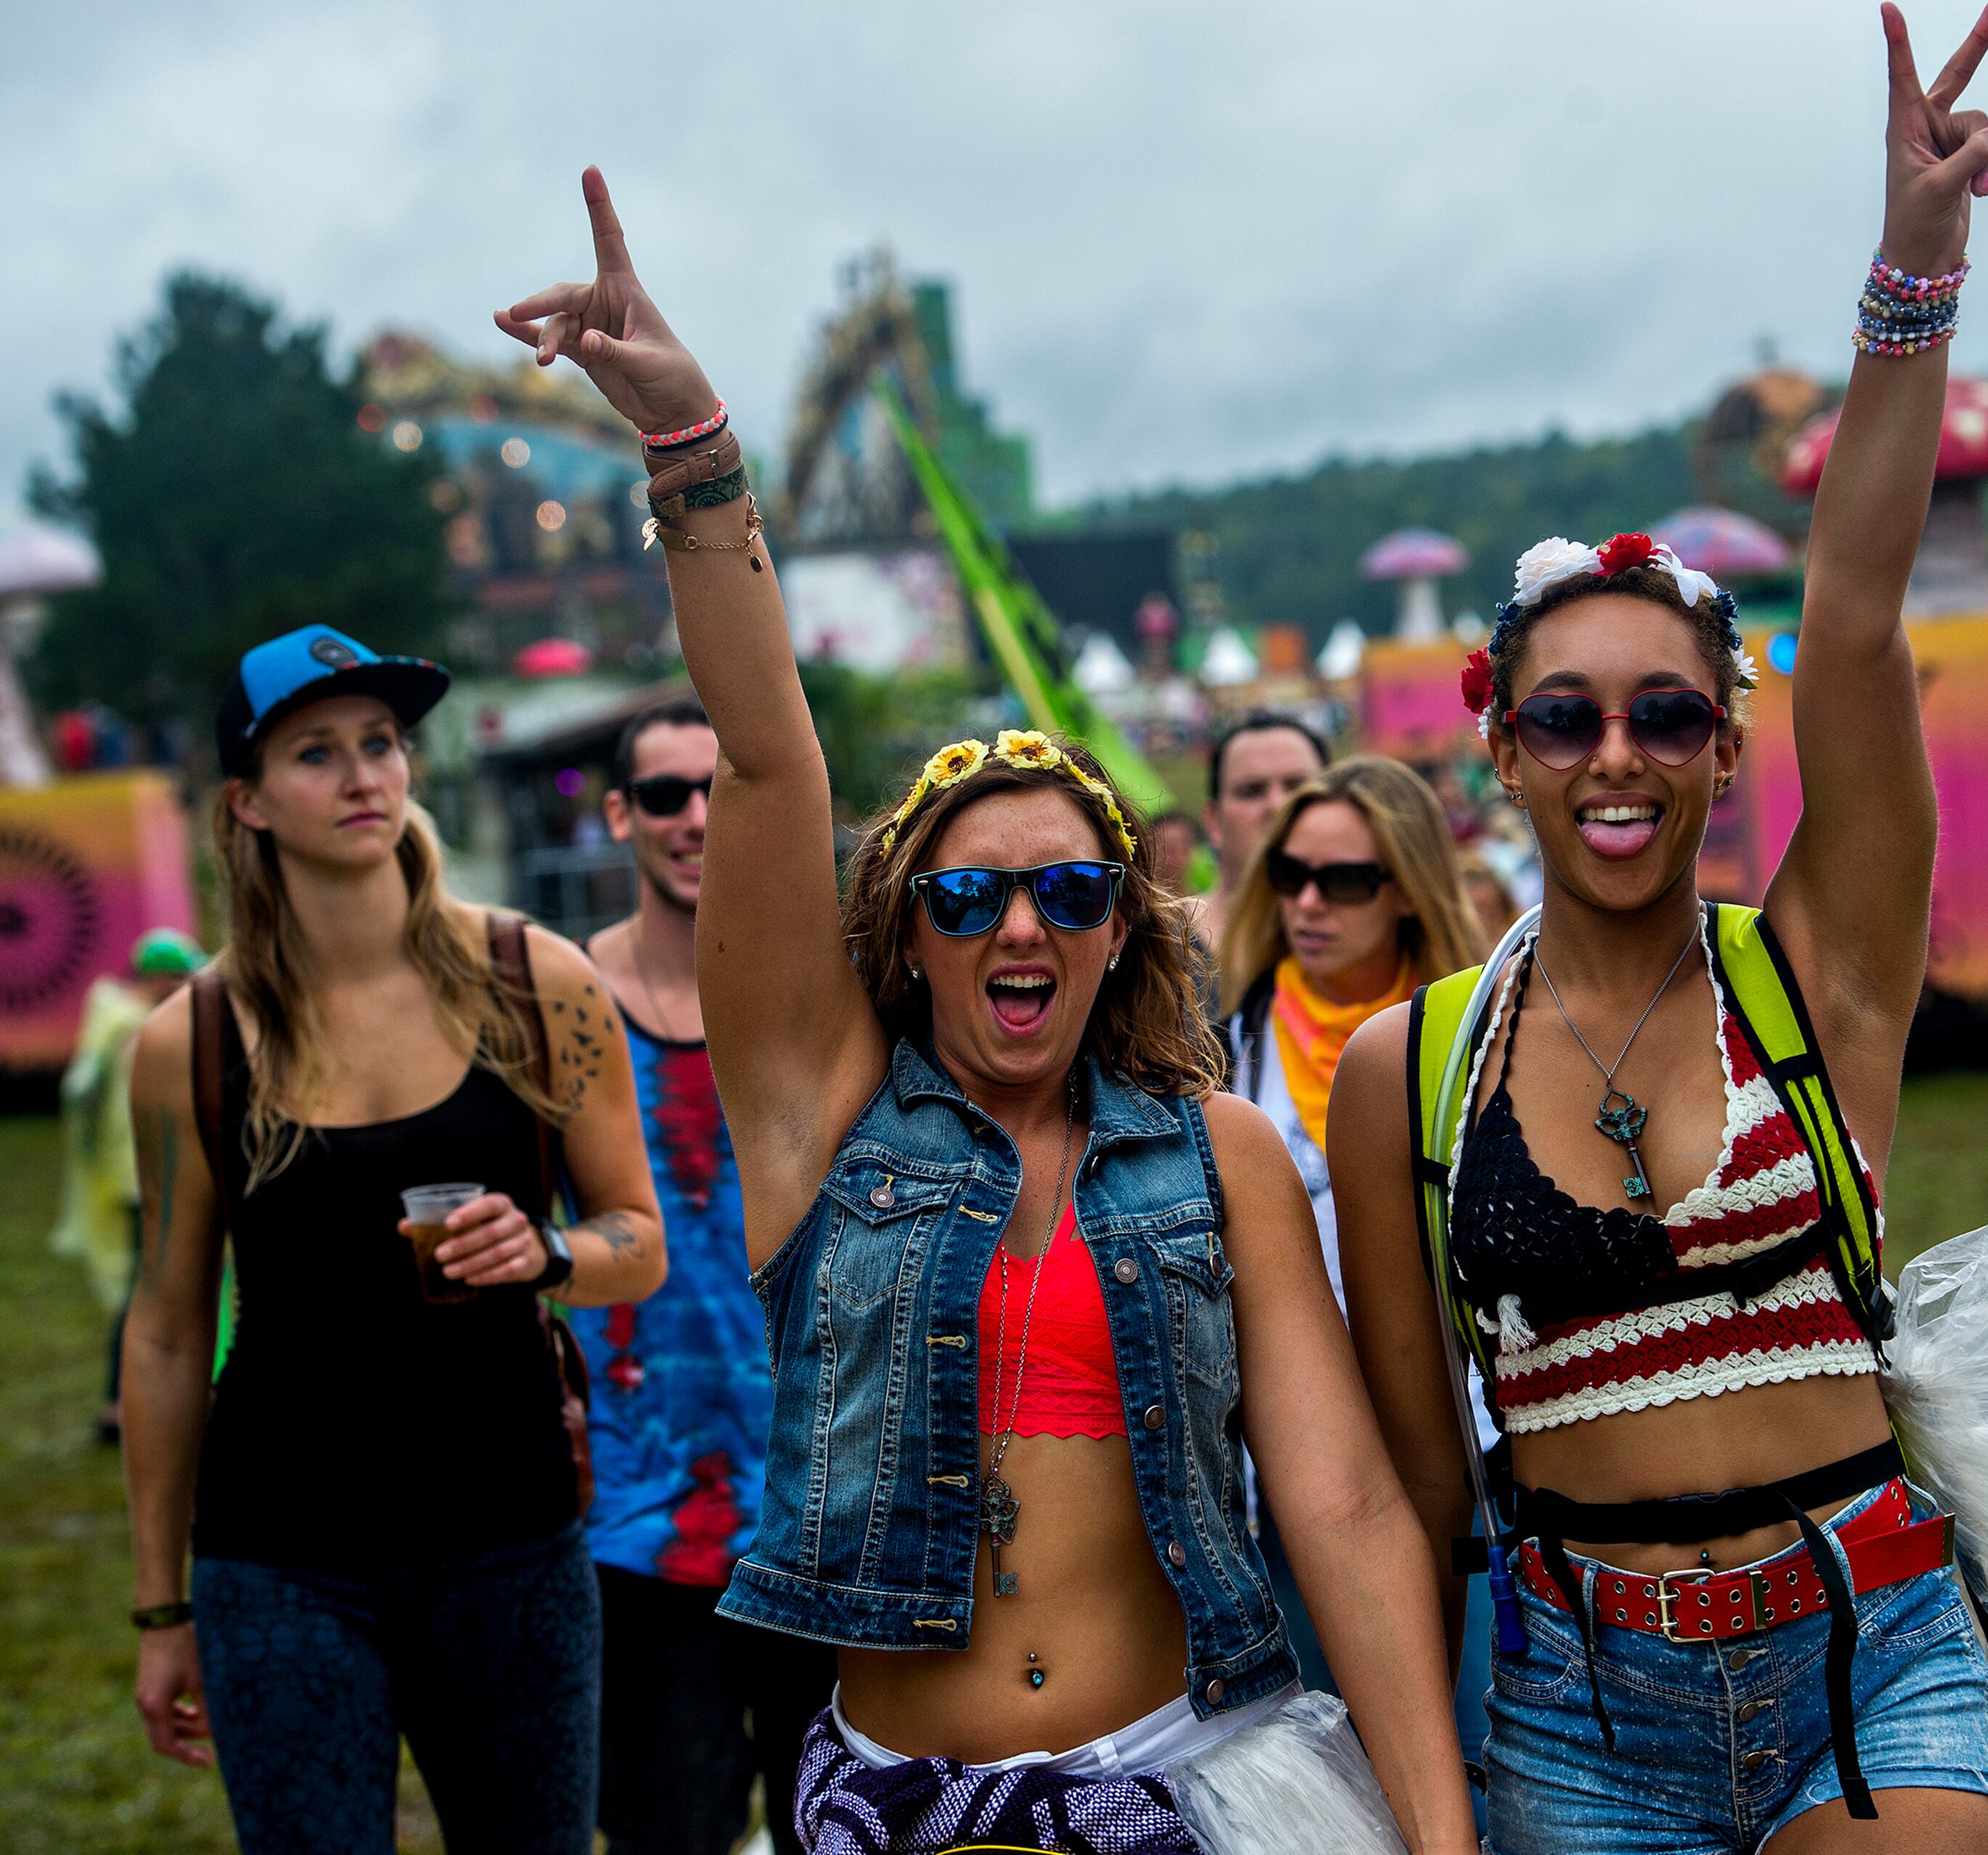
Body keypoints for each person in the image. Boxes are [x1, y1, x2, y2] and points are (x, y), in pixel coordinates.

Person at [499, 170, 1478, 1854]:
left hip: (1169, 1789)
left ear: (1120, 936)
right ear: (908, 937)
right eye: (965, 895)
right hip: (885, 1806)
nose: (1016, 922)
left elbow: (1342, 1499)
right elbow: (759, 756)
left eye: (1066, 893)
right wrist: (691, 449)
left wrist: (1437, 1840)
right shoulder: (826, 1123)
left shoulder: (1221, 1154)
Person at [1332, 13, 1988, 1849]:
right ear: (1500, 748)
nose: (1614, 754)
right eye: (1563, 715)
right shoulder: (1407, 1069)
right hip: (1570, 1705)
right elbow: (1415, 1487)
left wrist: (1912, 270)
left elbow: (1854, 617)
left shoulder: (1813, 977)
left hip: (1867, 1656)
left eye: (1663, 712)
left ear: (1728, 743)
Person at [120, 623, 667, 1855]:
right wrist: (162, 1605)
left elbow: (640, 1237)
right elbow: (161, 1335)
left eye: (381, 743)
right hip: (281, 1560)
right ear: (248, 801)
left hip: (511, 1541)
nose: (365, 775)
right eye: (317, 753)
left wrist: (548, 1253)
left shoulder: (538, 982)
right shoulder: (191, 1043)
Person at [581, 697, 837, 1855]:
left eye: (718, 788)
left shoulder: (828, 1009)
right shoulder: (559, 1008)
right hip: (634, 1524)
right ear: (618, 817)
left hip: (818, 1511)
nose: (697, 818)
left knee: (831, 1832)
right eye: (668, 794)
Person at [1214, 756, 1484, 1692]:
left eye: (1347, 880)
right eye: (1291, 875)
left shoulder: (1479, 1043)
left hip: (1475, 1460)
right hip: (1290, 1476)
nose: (1310, 903)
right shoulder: (1217, 1050)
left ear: (1407, 890)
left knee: (1477, 1747)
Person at [53, 928, 207, 1443]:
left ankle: (120, 1405)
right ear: (159, 978)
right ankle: (121, 1406)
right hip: (149, 1180)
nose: (186, 987)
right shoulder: (137, 1030)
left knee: (156, 1289)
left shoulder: (114, 1020)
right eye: (180, 977)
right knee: (157, 1293)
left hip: (138, 1178)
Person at [1200, 710, 1328, 946]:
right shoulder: (1159, 942)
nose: (1277, 806)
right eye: (1251, 791)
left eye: (1298, 788)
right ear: (1213, 822)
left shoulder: (1381, 939)